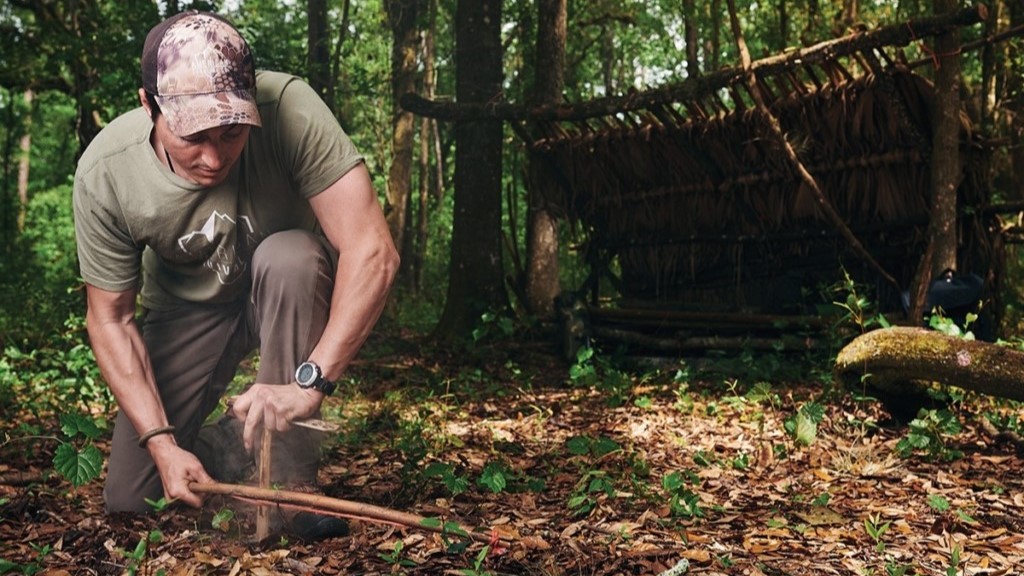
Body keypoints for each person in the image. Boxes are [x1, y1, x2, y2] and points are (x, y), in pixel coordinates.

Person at [72, 10, 399, 534]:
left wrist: (309, 383)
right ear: (147, 105)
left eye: (231, 133)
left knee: (290, 255)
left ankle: (290, 483)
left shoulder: (289, 108)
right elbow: (110, 319)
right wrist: (160, 442)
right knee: (136, 497)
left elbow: (372, 251)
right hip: (187, 309)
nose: (213, 157)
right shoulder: (107, 171)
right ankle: (230, 438)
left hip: (284, 289)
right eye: (193, 136)